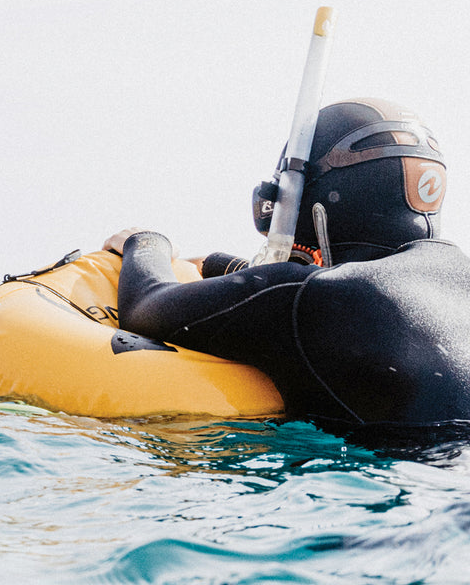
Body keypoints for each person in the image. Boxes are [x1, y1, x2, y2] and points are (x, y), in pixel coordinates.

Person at [108, 97, 470, 435]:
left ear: (315, 202)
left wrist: (145, 242)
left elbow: (145, 306)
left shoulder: (319, 297)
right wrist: (225, 265)